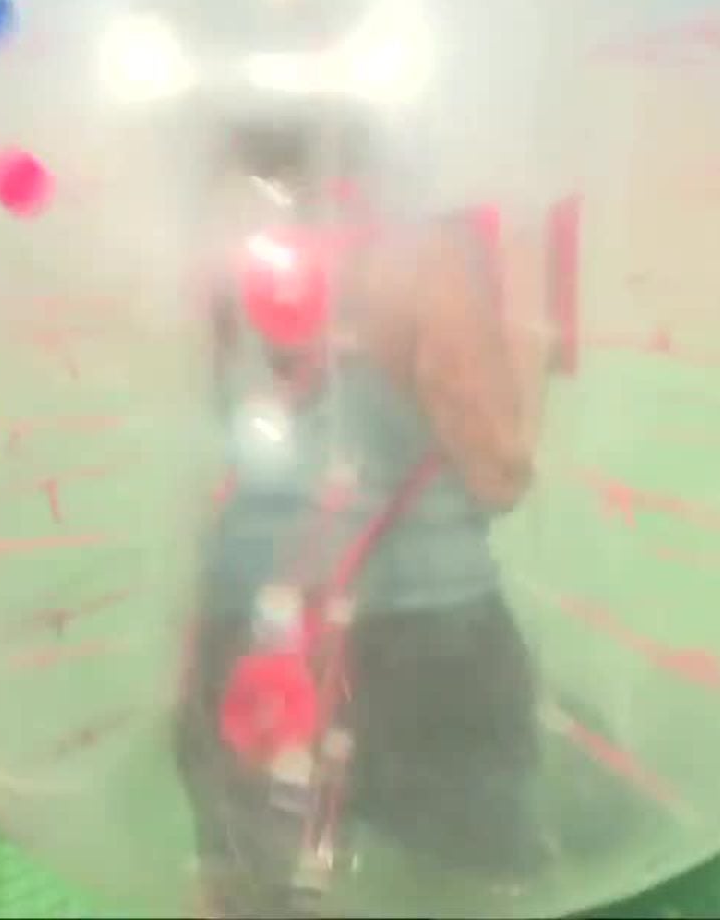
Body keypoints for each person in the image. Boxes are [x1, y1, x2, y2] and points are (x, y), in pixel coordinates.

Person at [174, 115, 555, 918]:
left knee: (248, 890)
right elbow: (500, 471)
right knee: (475, 893)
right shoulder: (418, 255)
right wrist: (530, 331)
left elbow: (223, 446)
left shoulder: (216, 254)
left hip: (242, 641)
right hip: (424, 644)